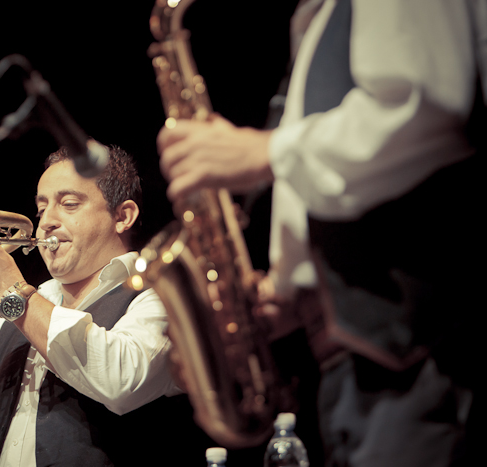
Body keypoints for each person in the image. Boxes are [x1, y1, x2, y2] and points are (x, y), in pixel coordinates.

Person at [157, 0, 484, 466]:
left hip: (416, 349)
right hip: (353, 358)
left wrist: (267, 151)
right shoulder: (319, 18)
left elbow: (421, 104)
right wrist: (287, 291)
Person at [0, 145, 213, 466]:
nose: (46, 222)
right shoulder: (29, 305)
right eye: (41, 209)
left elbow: (122, 381)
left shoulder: (162, 294)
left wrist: (10, 291)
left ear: (123, 216)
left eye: (69, 204)